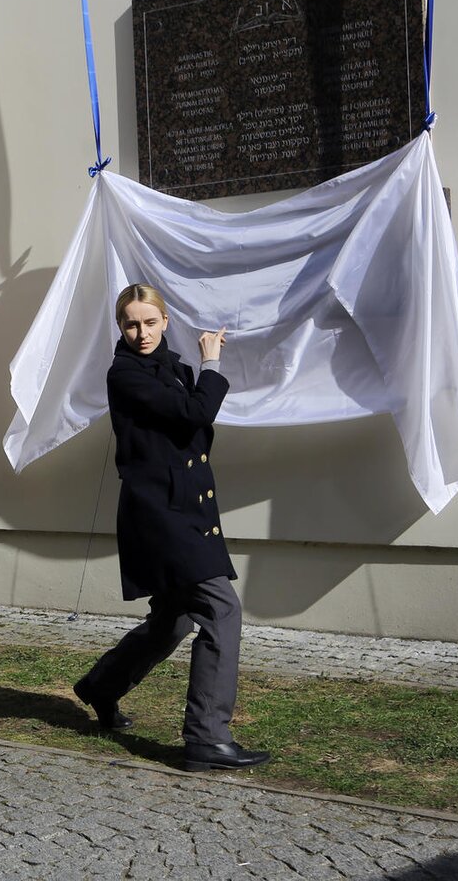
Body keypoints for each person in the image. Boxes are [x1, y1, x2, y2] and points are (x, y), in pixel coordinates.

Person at [73, 283, 271, 772]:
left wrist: (197, 375)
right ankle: (206, 737)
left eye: (149, 322)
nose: (141, 333)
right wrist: (212, 366)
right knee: (221, 610)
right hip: (161, 517)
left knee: (175, 620)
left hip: (183, 511)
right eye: (130, 324)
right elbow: (196, 415)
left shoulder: (171, 370)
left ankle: (101, 686)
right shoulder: (126, 374)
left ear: (165, 322)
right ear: (121, 327)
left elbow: (193, 433)